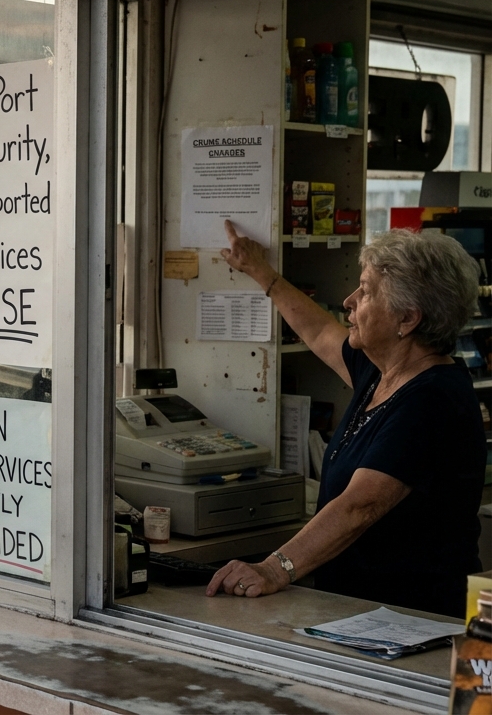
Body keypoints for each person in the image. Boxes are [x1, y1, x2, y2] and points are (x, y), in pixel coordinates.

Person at [206, 221, 484, 618]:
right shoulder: (380, 372)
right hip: (364, 612)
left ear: (407, 319)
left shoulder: (433, 398)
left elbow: (360, 506)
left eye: (366, 291)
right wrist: (260, 271)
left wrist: (273, 569)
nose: (349, 300)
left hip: (419, 620)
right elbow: (319, 330)